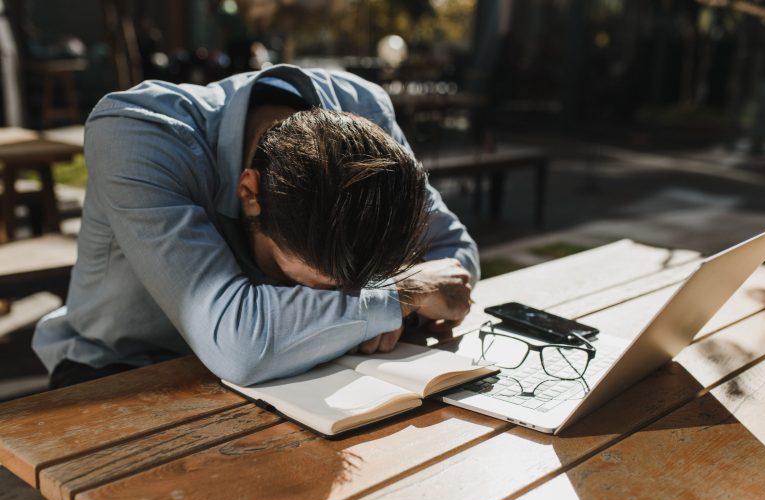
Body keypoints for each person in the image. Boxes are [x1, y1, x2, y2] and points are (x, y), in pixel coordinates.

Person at [32, 64, 479, 388]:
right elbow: (239, 345)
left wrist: (364, 307)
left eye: (357, 286)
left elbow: (455, 256)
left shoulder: (364, 120)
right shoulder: (138, 134)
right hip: (124, 372)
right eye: (306, 282)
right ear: (250, 194)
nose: (348, 298)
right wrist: (398, 295)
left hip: (303, 369)